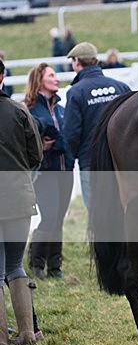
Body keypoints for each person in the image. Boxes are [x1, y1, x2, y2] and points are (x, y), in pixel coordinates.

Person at [0, 57, 43, 345]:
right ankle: (27, 334)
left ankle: (1, 340)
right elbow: (36, 155)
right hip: (16, 195)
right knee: (15, 265)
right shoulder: (18, 110)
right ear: (3, 77)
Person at [63, 42, 131, 210]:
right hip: (120, 160)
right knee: (121, 210)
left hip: (91, 161)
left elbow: (72, 133)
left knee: (97, 214)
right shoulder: (120, 87)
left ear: (77, 61)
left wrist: (69, 162)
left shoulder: (76, 92)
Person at [23, 63, 74, 279]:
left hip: (65, 170)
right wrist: (38, 147)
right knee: (50, 216)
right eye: (51, 75)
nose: (56, 78)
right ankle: (36, 263)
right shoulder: (30, 109)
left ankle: (55, 267)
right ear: (40, 80)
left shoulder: (62, 110)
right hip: (45, 172)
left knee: (59, 218)